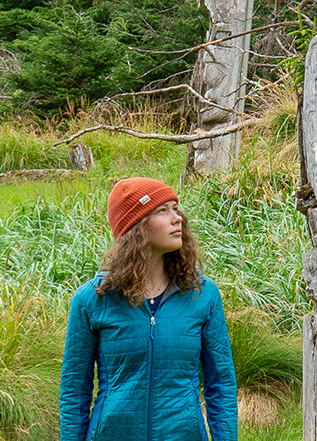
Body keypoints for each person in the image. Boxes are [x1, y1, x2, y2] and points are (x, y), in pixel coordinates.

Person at [59, 177, 238, 440]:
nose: (177, 218)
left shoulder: (202, 294)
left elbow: (221, 385)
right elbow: (74, 391)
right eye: (162, 210)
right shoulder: (92, 299)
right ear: (136, 227)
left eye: (175, 208)